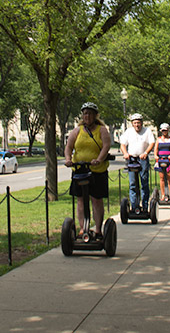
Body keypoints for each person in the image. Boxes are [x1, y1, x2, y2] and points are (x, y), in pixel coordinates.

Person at [64, 102, 111, 239]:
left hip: (97, 171)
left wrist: (99, 159)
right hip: (80, 170)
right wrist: (68, 159)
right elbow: (69, 147)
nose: (87, 116)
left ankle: (98, 230)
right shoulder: (77, 131)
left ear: (95, 115)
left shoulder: (102, 130)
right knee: (80, 200)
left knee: (96, 200)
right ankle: (82, 229)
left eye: (90, 113)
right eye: (85, 113)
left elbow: (106, 146)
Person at [120, 113, 155, 213]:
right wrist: (125, 153)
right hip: (132, 159)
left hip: (142, 159)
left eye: (138, 123)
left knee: (144, 183)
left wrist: (146, 153)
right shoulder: (128, 132)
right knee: (133, 184)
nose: (137, 125)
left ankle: (144, 206)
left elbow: (152, 143)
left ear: (141, 123)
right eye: (135, 123)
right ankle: (134, 207)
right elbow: (123, 144)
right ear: (132, 123)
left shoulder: (147, 131)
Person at [154, 123, 170, 202]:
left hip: (169, 160)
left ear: (168, 130)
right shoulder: (158, 139)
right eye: (163, 130)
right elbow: (156, 149)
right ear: (161, 131)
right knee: (162, 178)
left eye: (166, 130)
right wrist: (156, 156)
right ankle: (163, 195)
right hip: (161, 159)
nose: (164, 132)